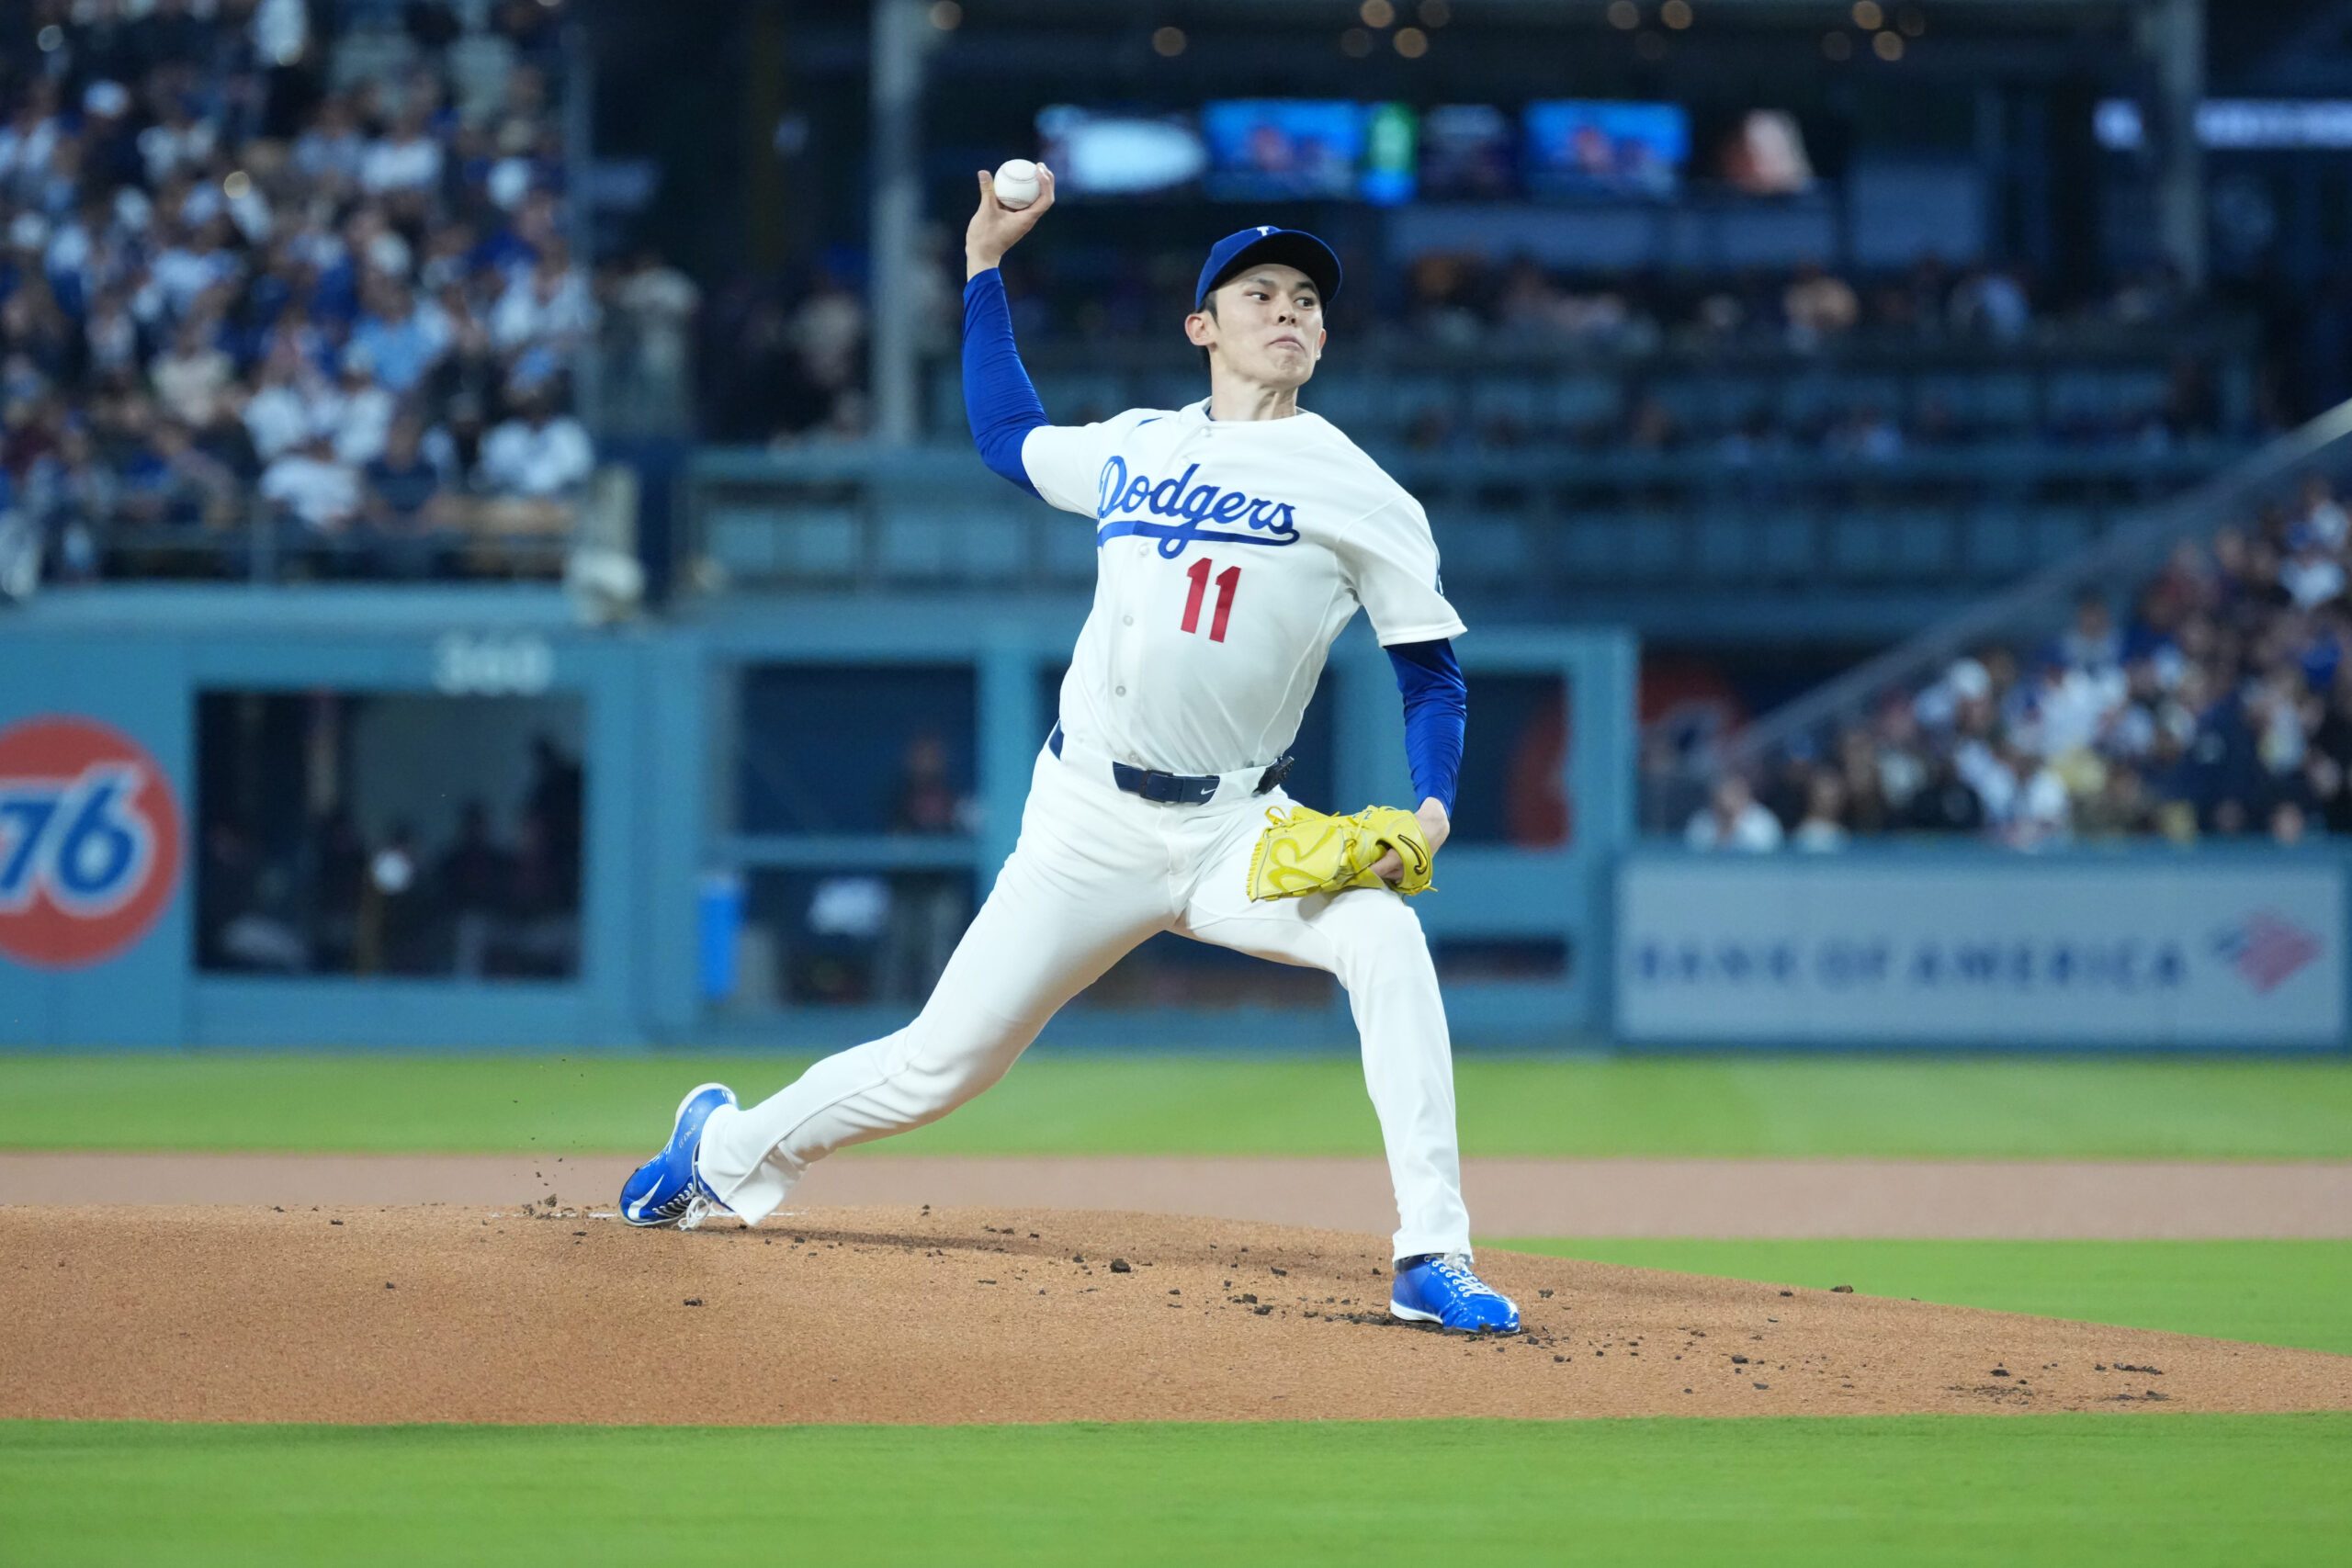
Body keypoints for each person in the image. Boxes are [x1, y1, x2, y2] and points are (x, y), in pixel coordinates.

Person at [619, 169, 1520, 1334]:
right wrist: (983, 269)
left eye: (1306, 296)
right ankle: (721, 1147)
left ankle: (1428, 1257)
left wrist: (1434, 806)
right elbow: (1004, 436)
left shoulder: (1360, 489)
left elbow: (1429, 670)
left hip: (1237, 829)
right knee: (939, 1069)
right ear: (1202, 326)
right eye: (1260, 294)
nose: (1289, 310)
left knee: (1386, 942)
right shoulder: (1136, 448)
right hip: (1087, 821)